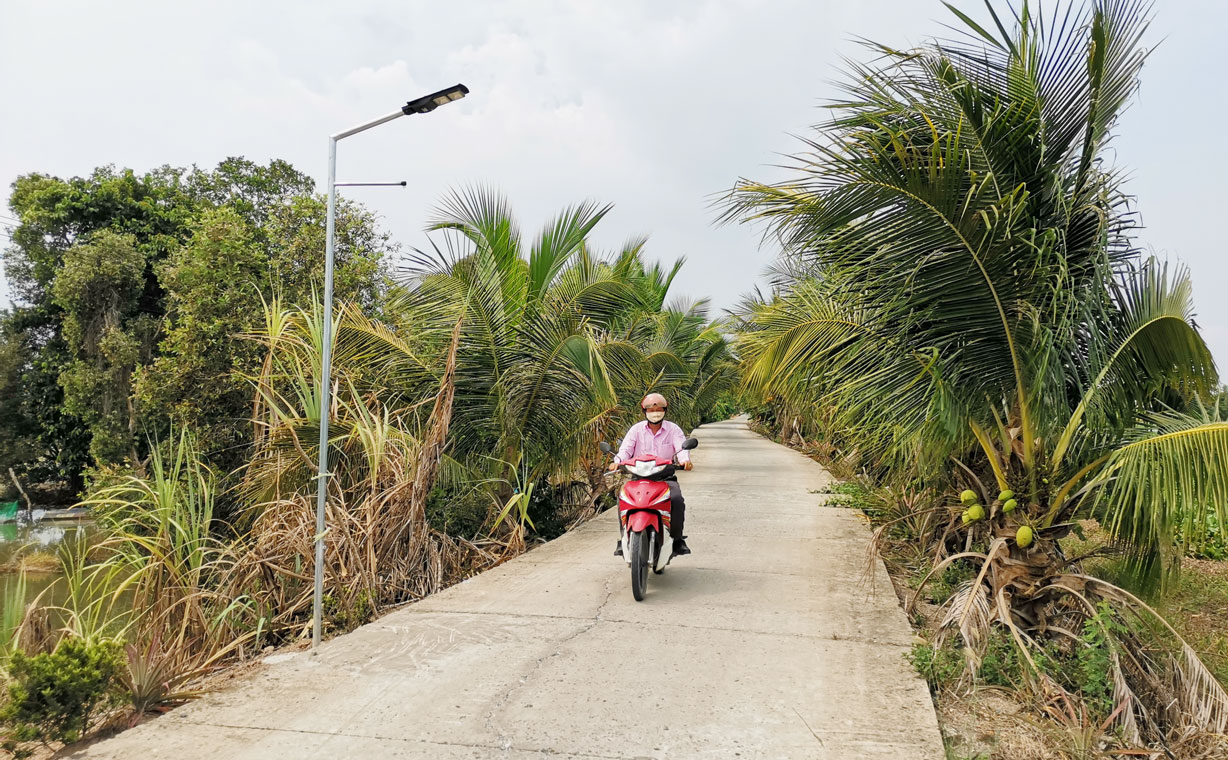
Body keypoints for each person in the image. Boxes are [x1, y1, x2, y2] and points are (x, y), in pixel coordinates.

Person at [610, 392, 692, 557]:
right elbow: (625, 449)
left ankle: (677, 540)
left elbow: (681, 448)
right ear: (644, 411)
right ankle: (624, 538)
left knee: (676, 500)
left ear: (665, 410)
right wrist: (617, 461)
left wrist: (685, 460)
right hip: (639, 478)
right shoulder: (636, 430)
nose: (655, 412)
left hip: (665, 477)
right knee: (623, 499)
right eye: (650, 409)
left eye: (659, 408)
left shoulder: (673, 429)